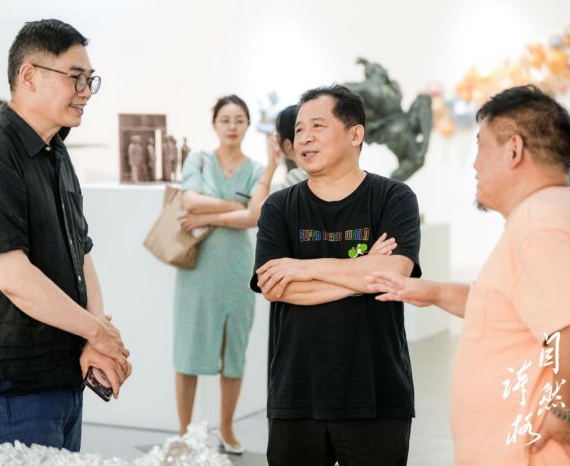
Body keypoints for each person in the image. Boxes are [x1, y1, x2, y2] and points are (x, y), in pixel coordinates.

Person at [368, 85, 570, 466]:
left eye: (481, 147)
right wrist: (433, 292)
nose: (475, 165)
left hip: (535, 453)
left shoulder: (540, 222)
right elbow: (519, 307)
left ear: (514, 149)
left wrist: (565, 415)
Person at [0, 19, 131, 452]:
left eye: (90, 80)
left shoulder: (55, 152)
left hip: (61, 376)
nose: (85, 92)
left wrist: (93, 335)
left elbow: (81, 252)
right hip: (7, 387)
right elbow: (13, 278)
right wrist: (97, 332)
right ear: (29, 75)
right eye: (76, 78)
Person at [252, 84, 421, 466]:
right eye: (299, 129)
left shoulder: (394, 198)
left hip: (377, 393)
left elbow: (393, 273)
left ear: (355, 134)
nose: (304, 138)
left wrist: (303, 267)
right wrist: (362, 273)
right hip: (296, 394)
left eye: (317, 126)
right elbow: (275, 287)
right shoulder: (279, 206)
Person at [173, 95, 279, 454]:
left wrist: (209, 216)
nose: (232, 126)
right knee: (188, 350)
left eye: (239, 120)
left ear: (248, 125)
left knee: (233, 352)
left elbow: (254, 217)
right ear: (214, 124)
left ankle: (228, 428)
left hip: (237, 270)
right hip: (197, 271)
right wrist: (234, 206)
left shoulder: (256, 169)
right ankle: (184, 433)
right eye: (225, 119)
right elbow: (189, 201)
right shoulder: (199, 160)